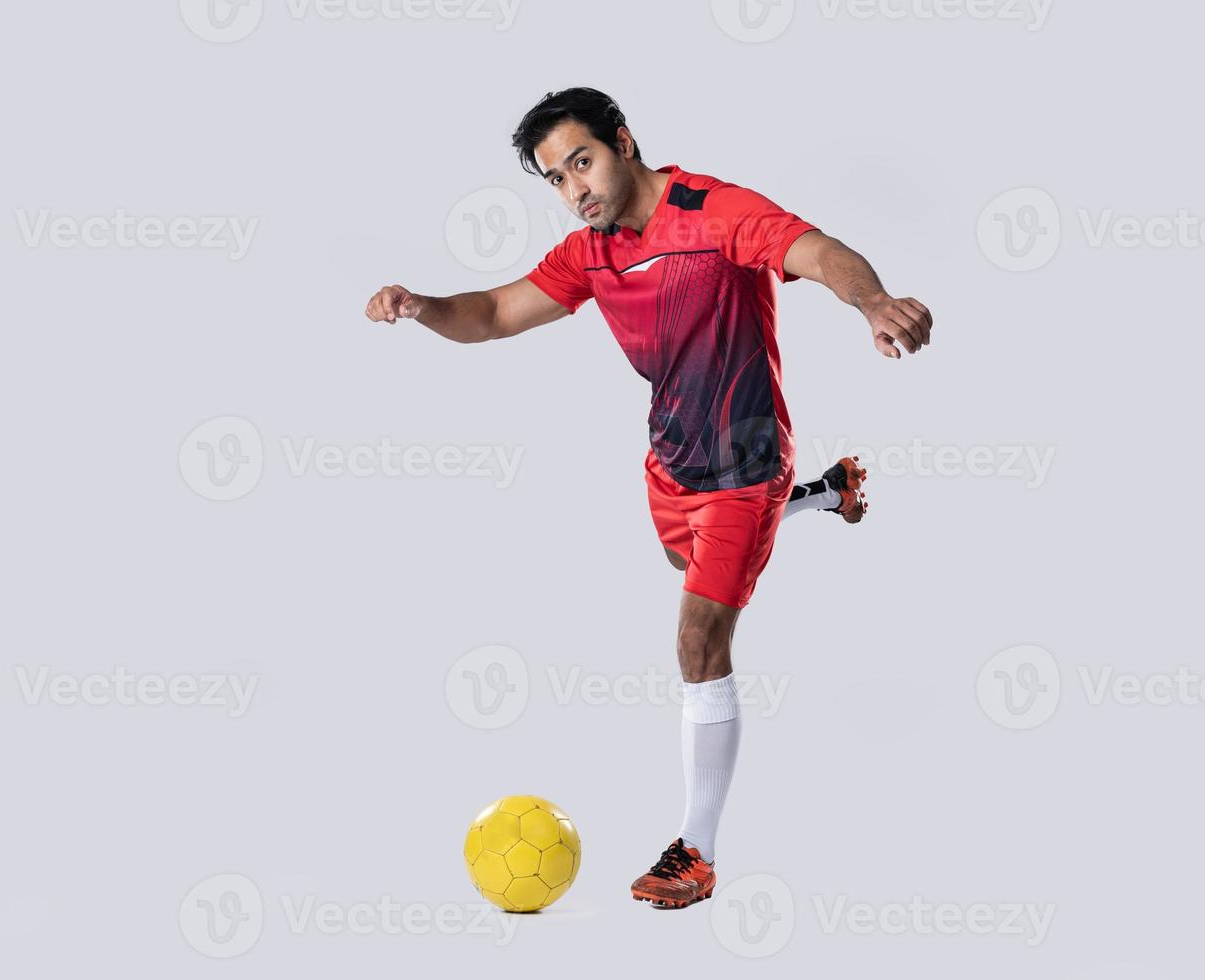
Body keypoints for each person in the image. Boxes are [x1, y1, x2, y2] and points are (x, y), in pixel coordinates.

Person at [364, 87, 932, 910]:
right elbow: (490, 312)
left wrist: (873, 301)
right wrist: (420, 307)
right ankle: (826, 494)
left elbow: (817, 251)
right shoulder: (590, 252)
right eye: (558, 179)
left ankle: (695, 852)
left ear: (623, 142)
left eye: (582, 162)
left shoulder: (712, 210)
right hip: (670, 469)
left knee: (700, 644)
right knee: (687, 564)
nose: (576, 189)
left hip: (744, 466)